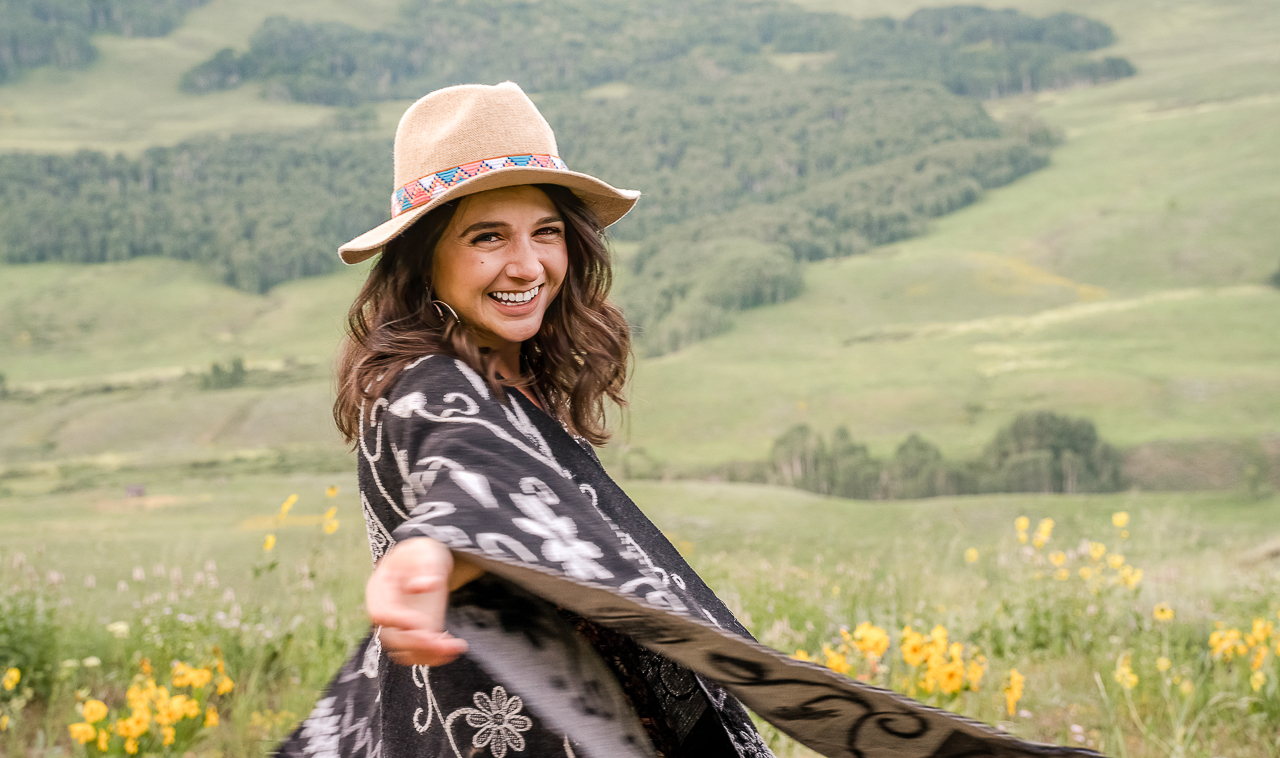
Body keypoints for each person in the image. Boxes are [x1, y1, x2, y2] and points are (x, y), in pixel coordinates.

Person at [276, 82, 1099, 758]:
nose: (527, 266)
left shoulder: (513, 379)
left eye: (546, 233)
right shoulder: (419, 382)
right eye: (487, 237)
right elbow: (460, 464)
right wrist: (434, 545)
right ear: (426, 258)